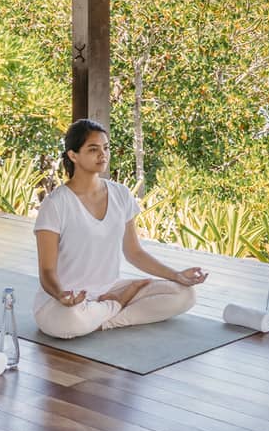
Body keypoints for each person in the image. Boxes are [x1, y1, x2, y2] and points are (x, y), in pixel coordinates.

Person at [34, 119, 206, 339]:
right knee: (69, 322)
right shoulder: (56, 204)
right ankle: (117, 305)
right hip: (65, 299)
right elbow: (47, 271)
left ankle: (105, 315)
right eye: (93, 149)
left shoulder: (121, 194)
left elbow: (134, 252)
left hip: (109, 288)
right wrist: (62, 295)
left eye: (106, 148)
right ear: (73, 155)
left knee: (184, 295)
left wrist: (177, 275)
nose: (103, 154)